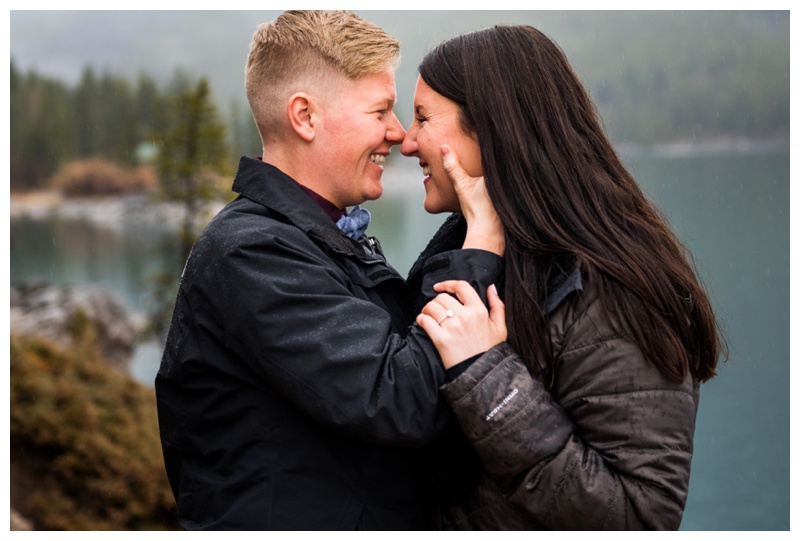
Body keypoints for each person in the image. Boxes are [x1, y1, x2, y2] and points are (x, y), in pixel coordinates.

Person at [154, 11, 505, 530]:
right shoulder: (252, 253)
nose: (398, 133)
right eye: (380, 110)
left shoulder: (311, 238)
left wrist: (473, 213)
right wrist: (481, 245)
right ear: (305, 117)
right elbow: (403, 397)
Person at [400, 24, 726, 530]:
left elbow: (638, 518)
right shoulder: (474, 248)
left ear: (489, 127)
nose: (406, 140)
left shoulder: (614, 288)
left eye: (422, 117)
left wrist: (486, 373)